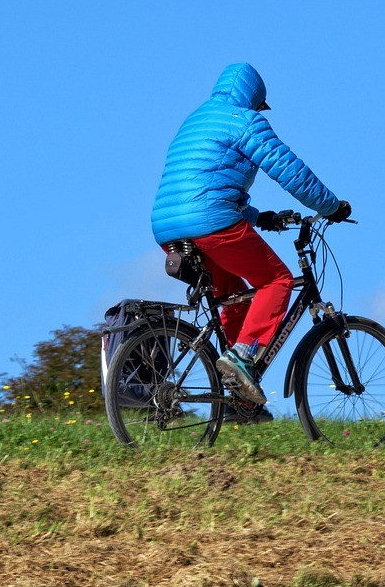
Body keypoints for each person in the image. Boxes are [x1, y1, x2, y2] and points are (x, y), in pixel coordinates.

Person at [150, 63, 350, 420]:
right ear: (254, 100)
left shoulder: (195, 120)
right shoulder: (244, 120)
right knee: (278, 281)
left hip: (168, 229)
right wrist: (331, 206)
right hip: (211, 223)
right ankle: (241, 359)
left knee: (234, 299)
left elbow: (210, 180)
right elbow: (289, 170)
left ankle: (239, 403)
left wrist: (261, 218)